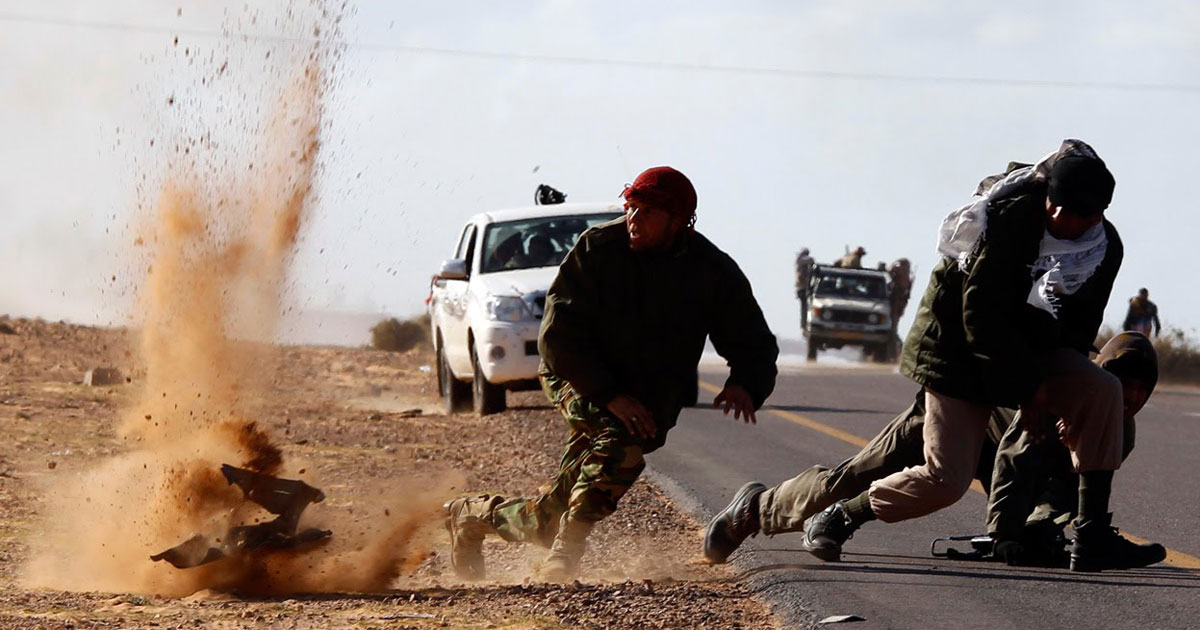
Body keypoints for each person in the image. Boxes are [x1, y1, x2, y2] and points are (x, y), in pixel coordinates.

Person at [710, 139, 1162, 573]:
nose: (1061, 219)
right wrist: (1033, 393)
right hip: (957, 361)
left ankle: (1093, 535)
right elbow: (980, 320)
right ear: (1046, 197)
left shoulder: (1102, 249)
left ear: (1099, 215)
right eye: (1055, 206)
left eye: (1078, 214)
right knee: (912, 477)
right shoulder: (1006, 220)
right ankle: (764, 510)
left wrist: (1060, 402)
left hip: (1025, 368)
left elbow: (1077, 329)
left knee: (1103, 390)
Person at [444, 166, 779, 582]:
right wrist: (607, 393)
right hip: (576, 373)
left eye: (648, 212)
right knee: (622, 441)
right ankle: (566, 557)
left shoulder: (711, 270)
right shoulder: (598, 249)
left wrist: (746, 382)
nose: (634, 221)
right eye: (631, 208)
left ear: (680, 221)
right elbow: (558, 338)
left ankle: (473, 516)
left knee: (549, 517)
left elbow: (753, 341)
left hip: (648, 392)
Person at [703, 332, 1160, 569]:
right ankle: (757, 508)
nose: (1132, 397)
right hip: (954, 415)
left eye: (1144, 389)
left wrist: (1049, 529)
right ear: (1102, 374)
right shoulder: (1065, 386)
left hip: (1002, 457)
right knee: (853, 478)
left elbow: (1064, 495)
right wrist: (1006, 533)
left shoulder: (1122, 430)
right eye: (1125, 382)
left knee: (1043, 530)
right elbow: (1014, 461)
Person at [795, 248, 815, 329]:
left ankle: (805, 323)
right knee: (804, 307)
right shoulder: (801, 262)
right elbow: (810, 260)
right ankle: (804, 324)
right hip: (802, 288)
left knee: (805, 307)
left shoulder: (801, 264)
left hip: (803, 288)